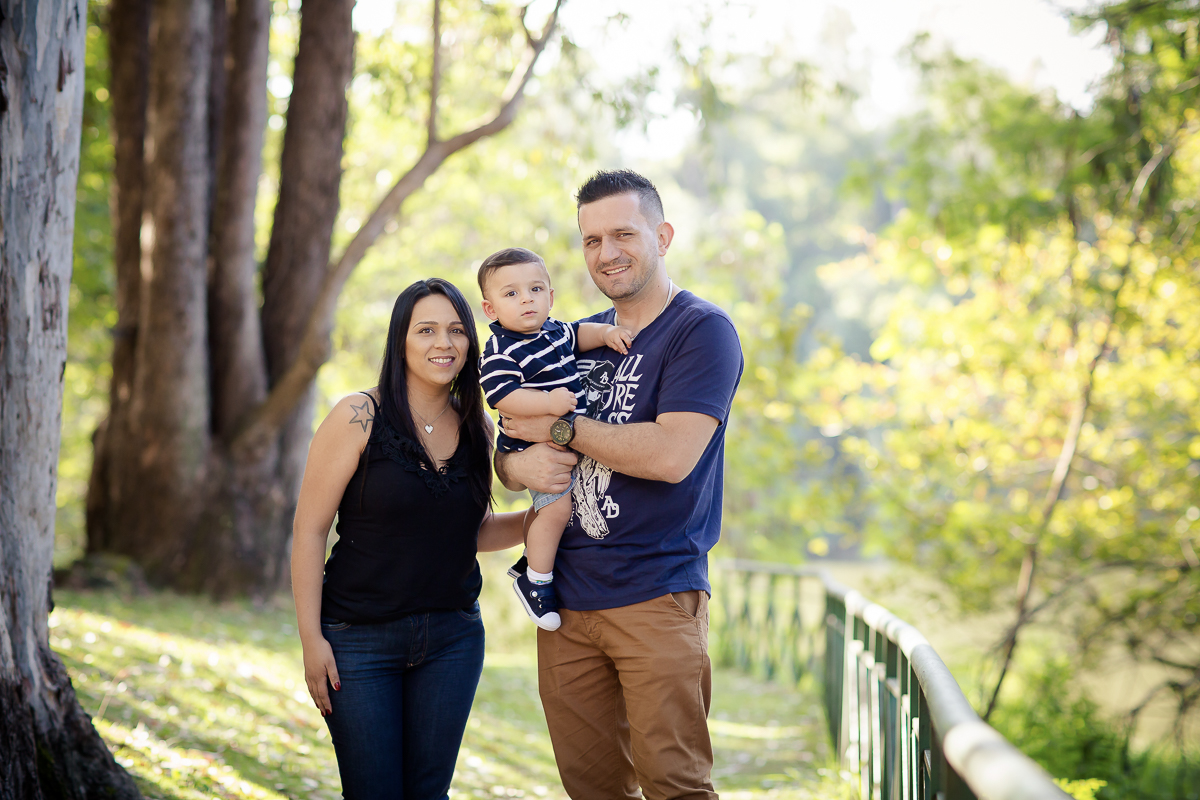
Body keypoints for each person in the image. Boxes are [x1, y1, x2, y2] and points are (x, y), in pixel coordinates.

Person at [496, 170, 744, 800]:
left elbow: (668, 455)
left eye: (623, 234)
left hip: (654, 595)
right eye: (591, 240)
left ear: (662, 235)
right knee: (593, 788)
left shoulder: (700, 331)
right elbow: (510, 440)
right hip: (565, 605)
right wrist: (514, 467)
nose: (606, 253)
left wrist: (558, 427)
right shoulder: (568, 339)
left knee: (675, 786)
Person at [292, 278, 528, 800]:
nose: (443, 343)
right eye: (426, 330)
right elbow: (309, 532)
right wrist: (313, 641)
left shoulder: (476, 425)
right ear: (401, 339)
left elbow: (469, 532)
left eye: (456, 331)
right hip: (358, 640)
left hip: (453, 640)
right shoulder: (357, 416)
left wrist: (538, 521)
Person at [476, 247, 633, 631]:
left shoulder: (556, 331)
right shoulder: (500, 350)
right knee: (558, 510)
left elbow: (582, 334)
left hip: (563, 445)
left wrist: (609, 333)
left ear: (550, 296)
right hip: (532, 449)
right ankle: (537, 580)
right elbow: (501, 396)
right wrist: (547, 402)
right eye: (510, 294)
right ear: (491, 309)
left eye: (535, 289)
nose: (526, 298)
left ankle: (534, 557)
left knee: (564, 509)